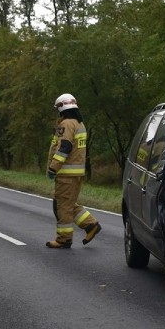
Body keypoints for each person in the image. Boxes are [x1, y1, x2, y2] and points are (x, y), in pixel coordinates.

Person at [45, 93, 101, 249]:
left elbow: (65, 148)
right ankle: (90, 225)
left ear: (62, 107)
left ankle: (64, 239)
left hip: (66, 174)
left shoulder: (67, 124)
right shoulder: (79, 124)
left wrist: (53, 167)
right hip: (76, 174)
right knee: (68, 204)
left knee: (62, 205)